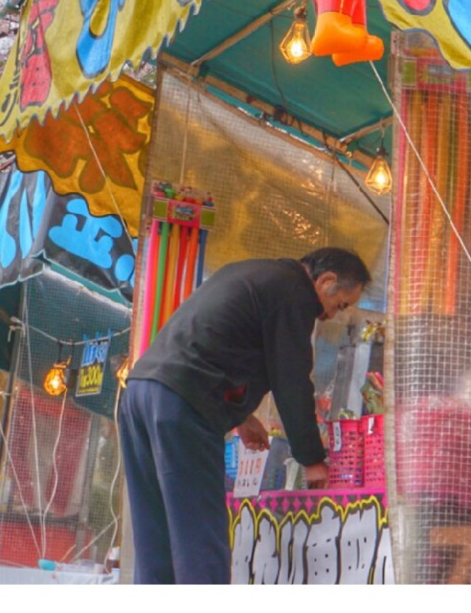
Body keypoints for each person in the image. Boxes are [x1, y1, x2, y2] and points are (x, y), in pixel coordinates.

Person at [118, 246, 370, 584]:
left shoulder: (255, 273)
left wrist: (240, 415)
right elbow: (292, 380)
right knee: (200, 536)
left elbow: (215, 342)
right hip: (181, 404)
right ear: (326, 281)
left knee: (155, 536)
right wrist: (311, 457)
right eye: (340, 305)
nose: (333, 315)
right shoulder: (293, 293)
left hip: (140, 393)